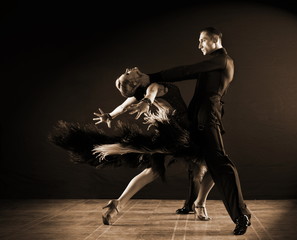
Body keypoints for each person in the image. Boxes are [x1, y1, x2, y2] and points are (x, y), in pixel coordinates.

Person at [49, 68, 214, 225]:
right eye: (127, 73)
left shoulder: (143, 89)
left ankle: (117, 204)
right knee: (212, 164)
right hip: (182, 133)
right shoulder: (151, 87)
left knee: (154, 171)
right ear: (136, 83)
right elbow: (152, 93)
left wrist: (110, 115)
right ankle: (200, 205)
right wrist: (147, 102)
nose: (129, 69)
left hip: (170, 134)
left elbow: (122, 107)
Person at [132, 27, 252, 235]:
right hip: (196, 119)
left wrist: (152, 77)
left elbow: (186, 70)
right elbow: (188, 73)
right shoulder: (213, 63)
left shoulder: (223, 60)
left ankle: (242, 215)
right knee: (194, 160)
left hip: (207, 118)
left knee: (220, 164)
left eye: (202, 41)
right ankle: (191, 204)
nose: (199, 45)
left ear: (215, 41)